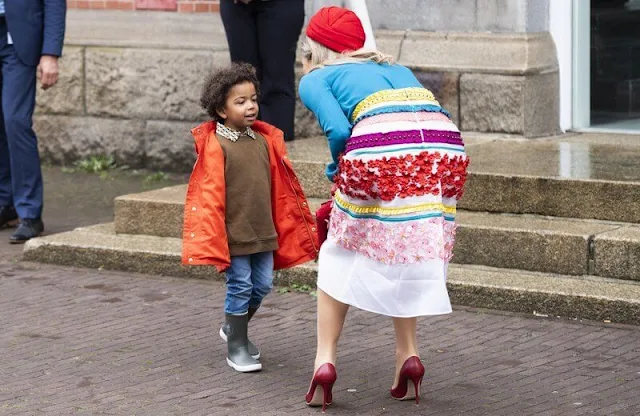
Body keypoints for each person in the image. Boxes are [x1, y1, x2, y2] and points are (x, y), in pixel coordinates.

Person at [298, 7, 470, 410]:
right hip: (443, 149)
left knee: (337, 252)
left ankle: (324, 361)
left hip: (381, 147)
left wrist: (339, 168)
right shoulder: (397, 68)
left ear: (315, 49)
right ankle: (407, 356)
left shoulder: (316, 77)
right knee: (404, 251)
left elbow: (340, 130)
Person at [181, 62, 319, 373]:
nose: (250, 106)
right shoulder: (217, 144)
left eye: (253, 99)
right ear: (221, 109)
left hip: (264, 229)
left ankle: (234, 326)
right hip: (234, 232)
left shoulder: (263, 139)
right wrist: (218, 234)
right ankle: (237, 345)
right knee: (241, 286)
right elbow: (210, 195)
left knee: (262, 285)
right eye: (240, 101)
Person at [0, 0, 66, 243]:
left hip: (19, 41)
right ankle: (5, 205)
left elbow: (54, 3)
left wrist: (50, 53)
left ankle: (29, 213)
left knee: (16, 122)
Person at [219, 0, 305, 141]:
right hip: (236, 6)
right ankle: (245, 153)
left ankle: (276, 156)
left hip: (282, 6)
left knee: (277, 86)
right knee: (242, 84)